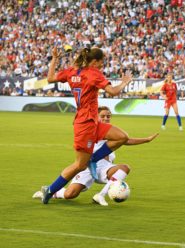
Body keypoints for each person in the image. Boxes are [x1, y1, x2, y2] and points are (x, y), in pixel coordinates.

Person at [40, 46, 132, 204]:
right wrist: (124, 82)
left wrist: (54, 59)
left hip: (92, 121)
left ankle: (93, 159)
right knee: (79, 165)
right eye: (101, 62)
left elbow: (50, 79)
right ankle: (50, 190)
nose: (102, 65)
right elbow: (113, 91)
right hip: (85, 125)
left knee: (122, 137)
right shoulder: (93, 73)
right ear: (94, 61)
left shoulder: (71, 71)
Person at [33, 106, 159, 206]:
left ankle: (101, 195)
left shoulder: (112, 135)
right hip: (86, 168)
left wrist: (146, 140)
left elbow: (127, 140)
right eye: (102, 116)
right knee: (70, 194)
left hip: (104, 169)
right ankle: (52, 191)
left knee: (124, 168)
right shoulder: (92, 131)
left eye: (108, 116)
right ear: (96, 117)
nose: (106, 118)